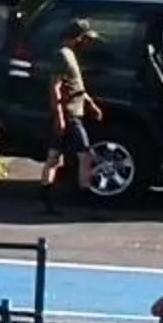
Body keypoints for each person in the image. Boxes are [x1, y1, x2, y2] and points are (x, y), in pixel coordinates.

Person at [41, 22, 107, 211]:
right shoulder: (62, 55)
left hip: (75, 110)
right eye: (86, 39)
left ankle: (46, 196)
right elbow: (55, 87)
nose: (87, 43)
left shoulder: (71, 55)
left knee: (55, 155)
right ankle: (84, 196)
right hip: (70, 114)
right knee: (84, 154)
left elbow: (76, 85)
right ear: (78, 37)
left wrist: (90, 104)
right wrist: (60, 116)